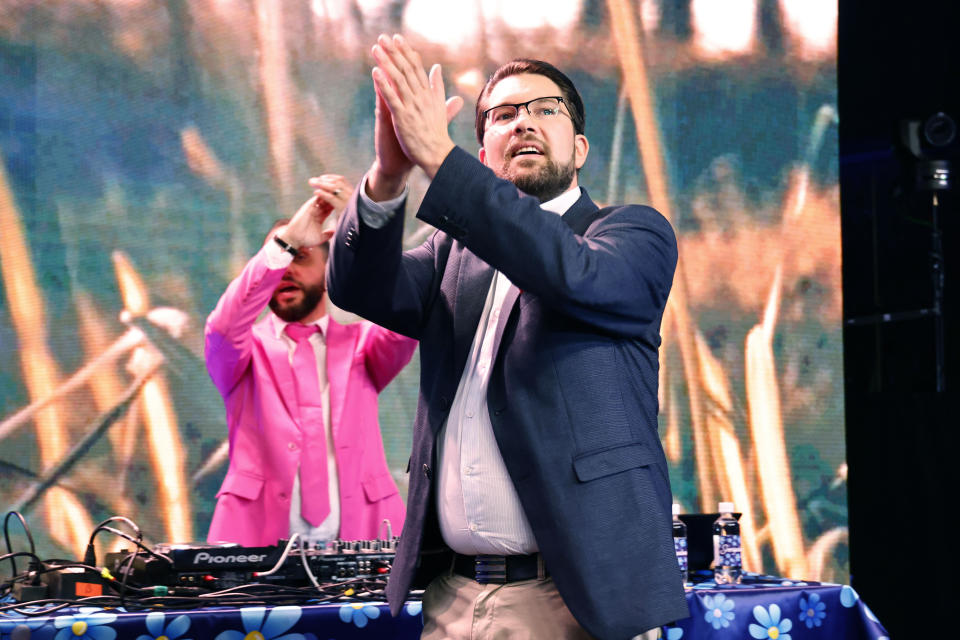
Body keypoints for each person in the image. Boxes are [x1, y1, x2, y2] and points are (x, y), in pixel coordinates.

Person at [322, 34, 688, 639]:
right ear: (485, 153)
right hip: (454, 598)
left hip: (574, 601)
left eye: (546, 109)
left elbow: (565, 272)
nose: (525, 123)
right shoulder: (452, 252)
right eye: (503, 114)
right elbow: (360, 286)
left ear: (581, 147)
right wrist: (390, 175)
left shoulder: (632, 235)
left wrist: (441, 161)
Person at [205, 176, 417, 547]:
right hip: (256, 551)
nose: (285, 269)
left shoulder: (364, 343)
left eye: (300, 257)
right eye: (280, 258)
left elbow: (404, 312)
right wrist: (285, 243)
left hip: (366, 544)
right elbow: (222, 328)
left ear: (329, 268)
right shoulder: (241, 352)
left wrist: (370, 232)